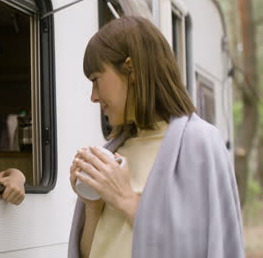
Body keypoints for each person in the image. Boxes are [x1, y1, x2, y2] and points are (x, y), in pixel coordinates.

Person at [68, 16, 244, 258]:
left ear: (131, 70)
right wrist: (93, 206)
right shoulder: (113, 151)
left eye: (96, 80)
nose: (94, 97)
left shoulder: (201, 144)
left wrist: (125, 199)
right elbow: (91, 252)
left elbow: (207, 249)